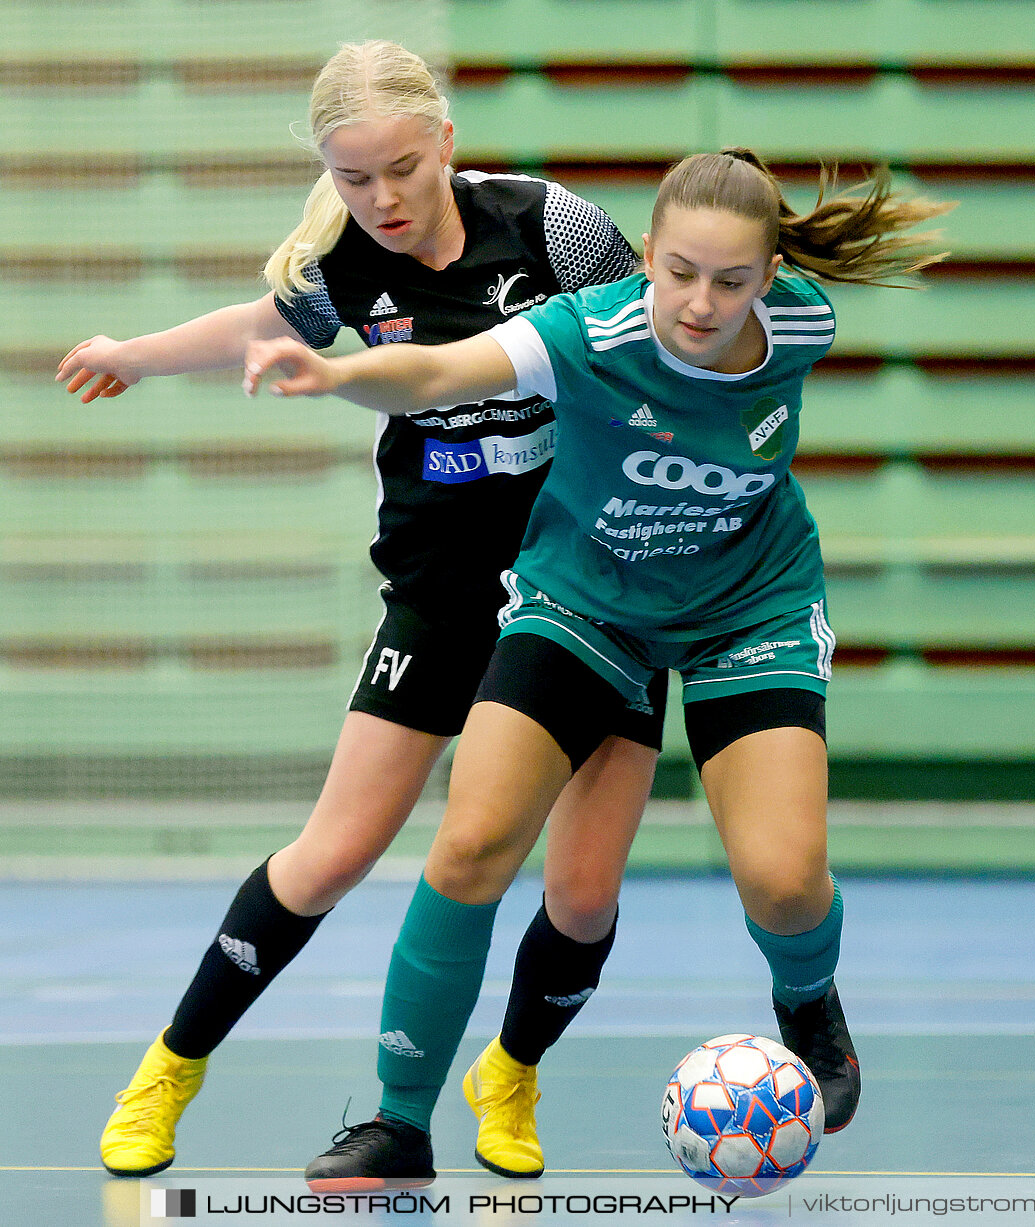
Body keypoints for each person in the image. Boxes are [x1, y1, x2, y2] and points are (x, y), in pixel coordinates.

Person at [240, 147, 952, 1189]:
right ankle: (399, 1124)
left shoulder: (803, 325)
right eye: (682, 273)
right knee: (474, 844)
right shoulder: (589, 329)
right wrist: (338, 372)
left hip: (747, 606)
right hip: (585, 604)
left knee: (785, 882)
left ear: (769, 277)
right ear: (649, 256)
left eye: (733, 280)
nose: (702, 304)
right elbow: (439, 371)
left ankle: (809, 998)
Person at [59, 40, 667, 1182]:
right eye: (352, 177)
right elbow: (263, 327)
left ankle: (514, 1073)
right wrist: (130, 355)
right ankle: (170, 1068)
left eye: (401, 167)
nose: (381, 198)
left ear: (445, 140)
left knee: (582, 895)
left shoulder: (557, 231)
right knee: (334, 853)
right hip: (441, 595)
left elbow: (649, 350)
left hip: (592, 589)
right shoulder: (344, 262)